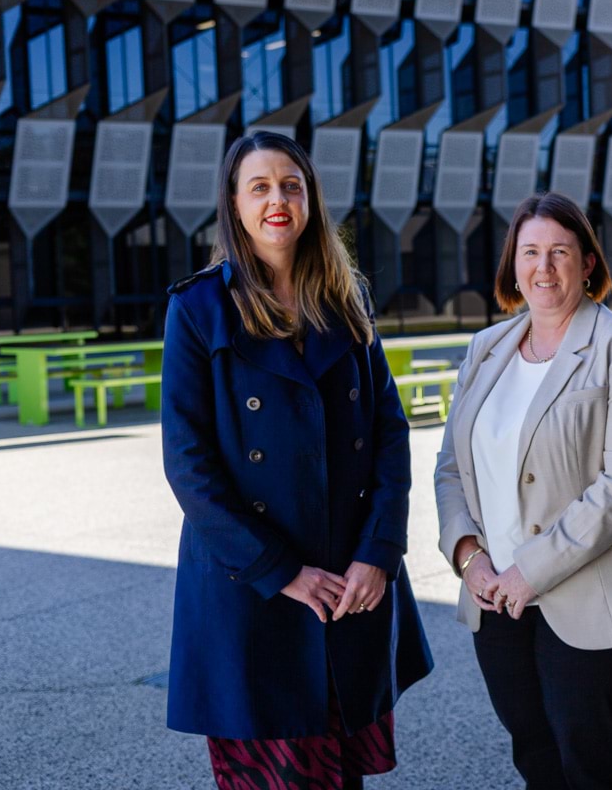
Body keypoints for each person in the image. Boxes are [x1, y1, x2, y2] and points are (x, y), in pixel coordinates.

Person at [161, 131, 432, 790]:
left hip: (348, 582)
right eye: (259, 186)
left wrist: (380, 552)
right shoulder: (197, 309)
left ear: (310, 199)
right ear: (233, 202)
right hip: (251, 593)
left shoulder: (345, 300)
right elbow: (188, 461)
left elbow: (390, 435)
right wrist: (281, 571)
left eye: (291, 184)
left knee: (341, 780)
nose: (277, 199)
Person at [434, 192, 612, 790]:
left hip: (593, 596)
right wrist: (469, 559)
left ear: (588, 263)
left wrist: (529, 570)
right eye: (530, 252)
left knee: (596, 767)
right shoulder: (485, 349)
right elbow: (451, 466)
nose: (543, 268)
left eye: (559, 252)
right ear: (512, 265)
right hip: (497, 599)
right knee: (538, 761)